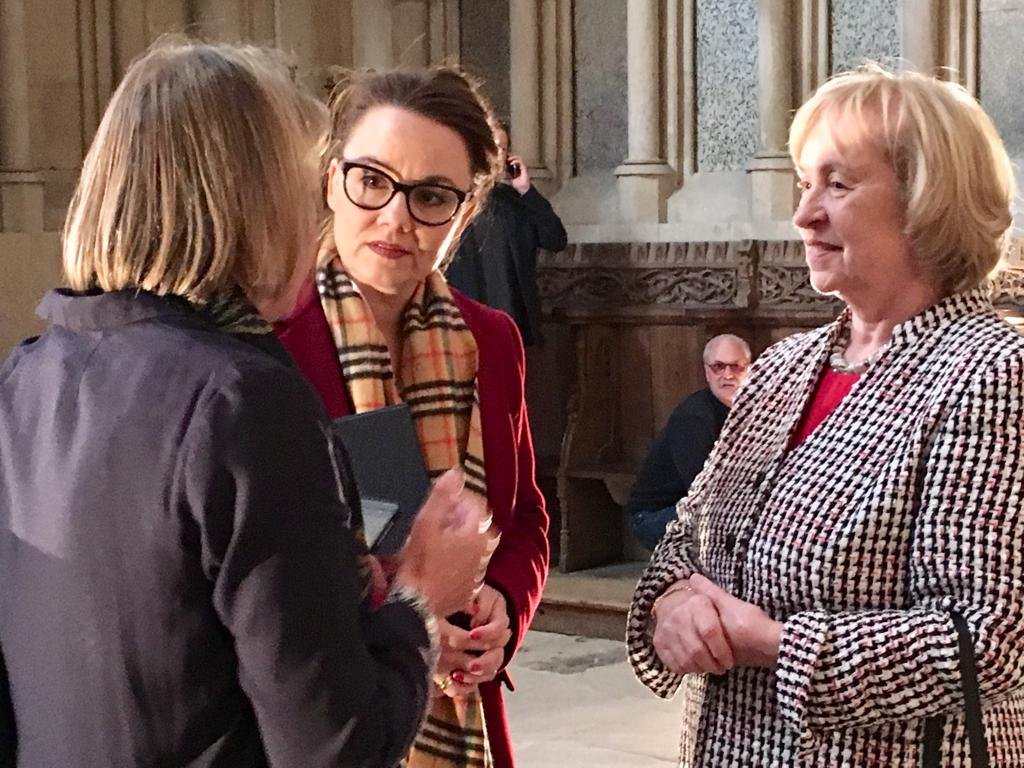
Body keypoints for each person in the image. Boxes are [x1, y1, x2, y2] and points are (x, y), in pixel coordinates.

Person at [0, 42, 491, 768]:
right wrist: (419, 600)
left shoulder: (28, 376)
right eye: (304, 188)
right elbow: (335, 744)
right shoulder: (240, 400)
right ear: (254, 202)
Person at [627, 65, 1024, 766]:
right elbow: (685, 536)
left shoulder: (993, 370)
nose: (804, 212)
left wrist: (778, 647)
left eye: (837, 185)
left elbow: (989, 639)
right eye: (805, 184)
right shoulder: (782, 367)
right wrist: (667, 608)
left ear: (929, 201)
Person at [274, 67, 550, 768]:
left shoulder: (491, 340)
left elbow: (523, 518)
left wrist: (502, 607)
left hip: (459, 715)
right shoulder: (268, 339)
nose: (396, 218)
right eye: (372, 180)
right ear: (332, 179)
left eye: (431, 197)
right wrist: (414, 613)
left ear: (465, 212)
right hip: (325, 713)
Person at [444, 123, 567, 346]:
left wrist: (526, 191)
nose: (498, 154)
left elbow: (555, 239)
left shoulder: (515, 201)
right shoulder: (452, 200)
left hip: (509, 320)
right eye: (492, 146)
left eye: (503, 148)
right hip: (463, 322)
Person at [628, 334, 751, 551]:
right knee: (729, 517)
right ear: (707, 372)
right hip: (656, 515)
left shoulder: (752, 410)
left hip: (706, 504)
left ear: (749, 370)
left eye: (736, 367)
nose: (728, 375)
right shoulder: (694, 417)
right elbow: (703, 492)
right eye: (718, 367)